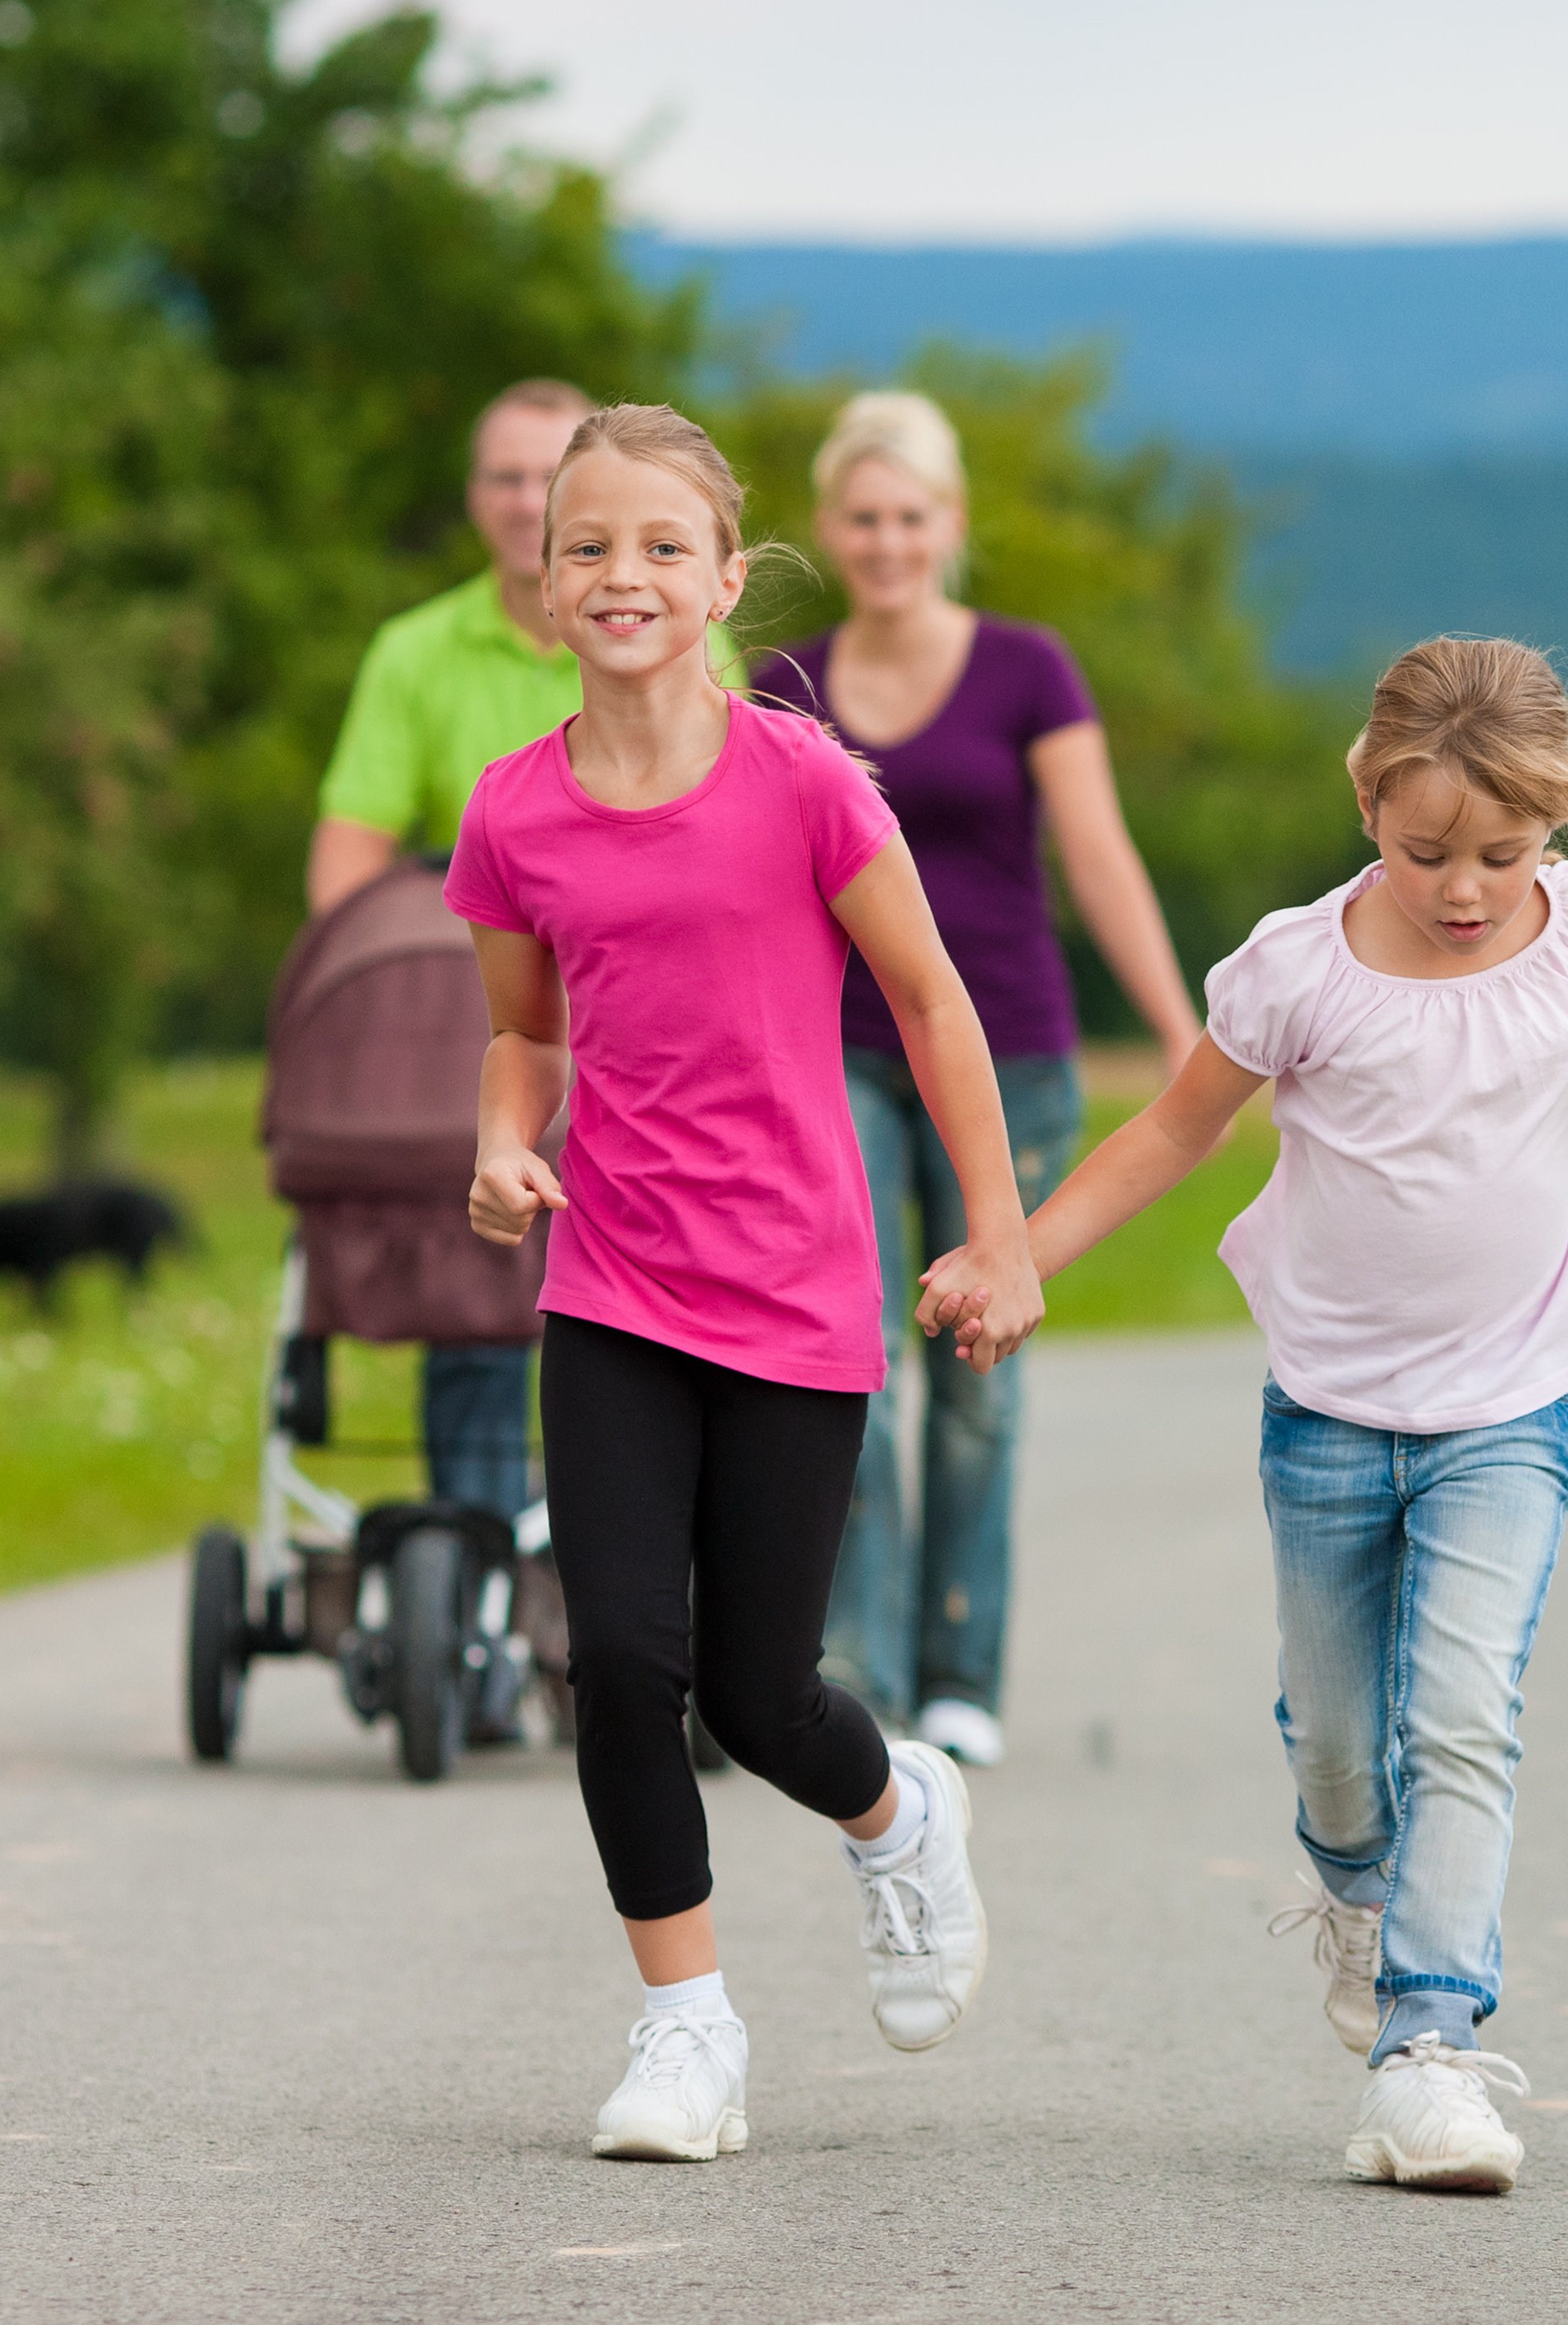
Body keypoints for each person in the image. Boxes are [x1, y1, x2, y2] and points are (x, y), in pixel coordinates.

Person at [923, 636, 1568, 2195]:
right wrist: (1015, 1255)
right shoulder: (1299, 968)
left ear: (1548, 826)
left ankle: (1431, 2049)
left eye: (1504, 852)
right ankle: (1356, 1888)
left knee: (1465, 1714)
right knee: (1341, 1748)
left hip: (1512, 1403)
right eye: (1430, 852)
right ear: (1369, 804)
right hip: (1334, 1414)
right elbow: (1171, 1132)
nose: (1469, 886)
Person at [453, 402, 1033, 2163]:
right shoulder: (516, 812)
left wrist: (1001, 1230)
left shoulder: (803, 779)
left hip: (795, 1290)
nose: (620, 574)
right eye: (586, 545)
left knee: (759, 1691)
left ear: (721, 581)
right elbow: (518, 1030)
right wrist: (499, 1142)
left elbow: (933, 1003)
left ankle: (897, 1816)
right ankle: (686, 2027)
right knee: (623, 1660)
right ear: (546, 581)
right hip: (613, 1282)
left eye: (657, 547)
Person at [753, 392, 1198, 1771]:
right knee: (855, 1362)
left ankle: (962, 1670)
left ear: (949, 526)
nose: (888, 541)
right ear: (830, 529)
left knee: (979, 1371)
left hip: (1004, 1051)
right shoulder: (784, 682)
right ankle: (863, 1668)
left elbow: (1101, 855)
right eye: (863, 518)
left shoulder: (1027, 669)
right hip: (842, 1050)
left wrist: (1183, 1034)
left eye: (912, 516)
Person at [316, 379, 741, 1528]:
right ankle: (484, 1563)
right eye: (502, 478)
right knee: (473, 1292)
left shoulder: (674, 626)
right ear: (478, 501)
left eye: (541, 479)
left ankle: (610, 1550)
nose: (521, 501)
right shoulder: (414, 654)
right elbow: (344, 864)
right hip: (469, 1004)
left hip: (634, 1021)